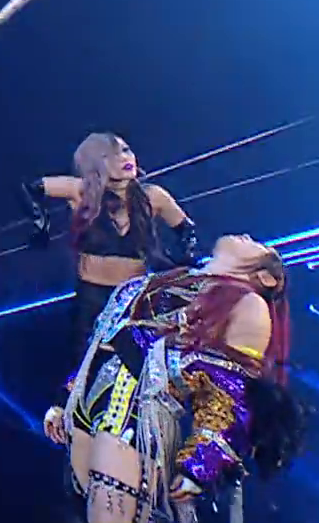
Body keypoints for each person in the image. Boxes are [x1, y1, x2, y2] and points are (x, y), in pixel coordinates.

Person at [42, 234, 311, 523]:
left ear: (267, 277)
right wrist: (66, 399)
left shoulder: (249, 304)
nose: (246, 235)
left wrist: (201, 462)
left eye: (255, 243)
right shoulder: (168, 280)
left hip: (138, 406)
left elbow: (229, 391)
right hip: (95, 396)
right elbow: (104, 341)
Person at [22, 133, 198, 356]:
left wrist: (183, 260)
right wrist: (40, 224)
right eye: (109, 155)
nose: (123, 158)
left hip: (134, 297)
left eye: (125, 150)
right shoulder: (82, 190)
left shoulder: (153, 196)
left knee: (137, 362)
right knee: (88, 363)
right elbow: (31, 188)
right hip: (92, 298)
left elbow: (186, 229)